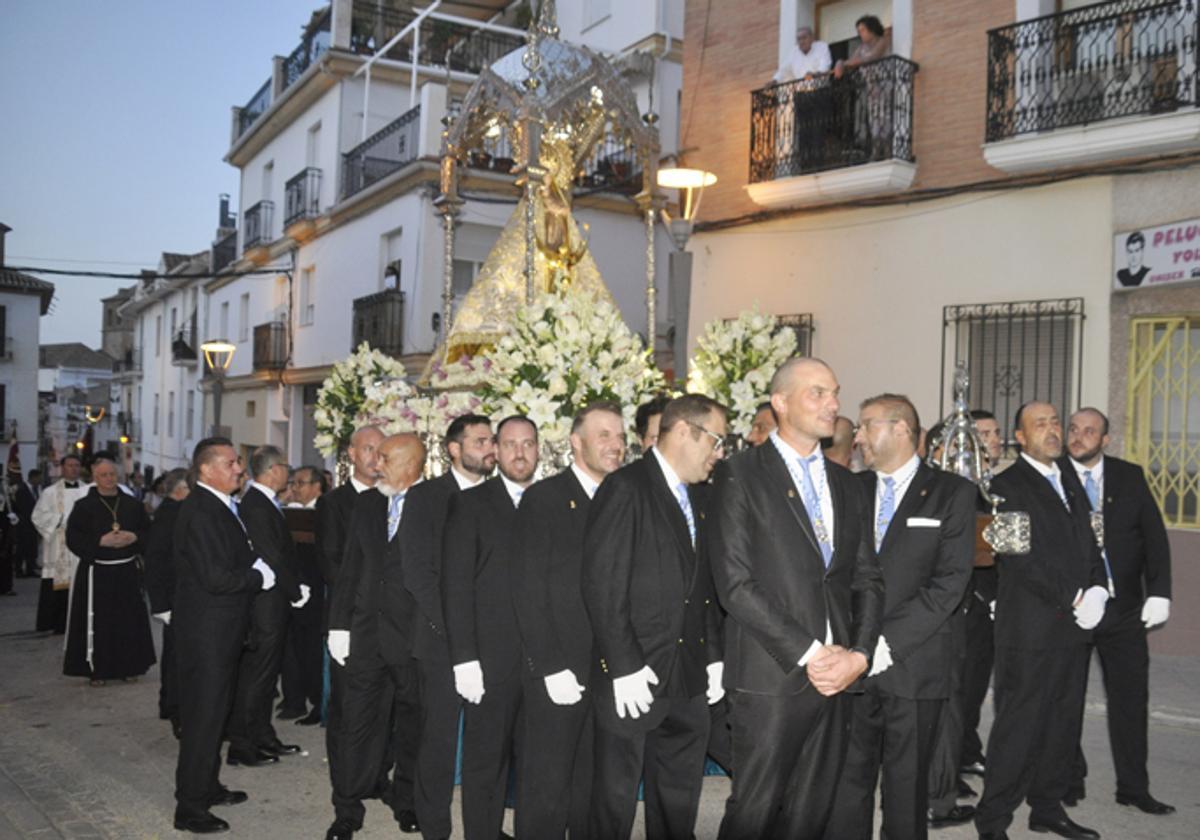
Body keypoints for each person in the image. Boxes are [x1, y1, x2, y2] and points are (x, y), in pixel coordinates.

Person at [708, 357, 883, 839]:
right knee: (755, 813)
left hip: (839, 676)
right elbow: (735, 583)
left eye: (835, 392)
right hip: (771, 674)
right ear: (780, 403)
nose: (833, 403)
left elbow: (868, 579)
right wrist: (811, 653)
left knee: (813, 813)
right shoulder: (740, 474)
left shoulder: (847, 483)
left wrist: (859, 655)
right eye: (818, 393)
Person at [826, 394, 976, 840]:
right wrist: (854, 644)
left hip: (915, 662)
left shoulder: (952, 493)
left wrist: (884, 642)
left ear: (902, 429)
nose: (857, 437)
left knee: (906, 789)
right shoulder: (850, 488)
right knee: (847, 783)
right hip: (852, 661)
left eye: (867, 425)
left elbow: (949, 582)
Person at [582, 394, 728, 840]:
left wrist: (713, 656)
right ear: (684, 431)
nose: (719, 452)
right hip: (635, 677)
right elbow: (602, 585)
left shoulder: (701, 495)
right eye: (716, 440)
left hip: (688, 678)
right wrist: (623, 666)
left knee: (678, 800)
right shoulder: (626, 487)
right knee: (614, 802)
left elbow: (704, 587)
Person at [973, 402, 1107, 840]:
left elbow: (1091, 540)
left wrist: (1099, 587)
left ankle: (1047, 808)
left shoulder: (1069, 477)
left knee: (1063, 723)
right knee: (1019, 727)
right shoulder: (1004, 485)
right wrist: (1075, 595)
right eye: (1039, 424)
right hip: (1029, 629)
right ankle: (993, 820)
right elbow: (1019, 558)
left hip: (1073, 627)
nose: (1052, 430)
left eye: (1054, 422)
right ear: (1020, 437)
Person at [511, 402, 625, 839]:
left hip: (612, 668)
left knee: (593, 784)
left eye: (620, 436)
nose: (615, 445)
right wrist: (549, 665)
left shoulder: (626, 496)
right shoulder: (545, 498)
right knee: (547, 784)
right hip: (560, 666)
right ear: (576, 443)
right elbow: (528, 588)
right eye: (604, 435)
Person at [1060, 408, 1174, 816]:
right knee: (1066, 698)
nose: (1079, 436)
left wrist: (1159, 592)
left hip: (1123, 610)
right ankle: (1068, 778)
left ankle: (1134, 787)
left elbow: (1154, 538)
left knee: (1130, 700)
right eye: (1074, 429)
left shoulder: (1129, 476)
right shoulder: (1054, 476)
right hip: (1073, 608)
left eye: (1090, 431)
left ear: (1105, 439)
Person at [172, 437, 278, 834]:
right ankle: (190, 808)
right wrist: (257, 577)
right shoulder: (201, 511)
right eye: (231, 463)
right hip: (207, 635)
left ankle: (207, 786)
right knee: (203, 720)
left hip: (223, 631)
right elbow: (215, 578)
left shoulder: (219, 505)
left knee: (216, 716)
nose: (239, 469)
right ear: (206, 470)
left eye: (238, 462)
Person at [325, 434, 427, 840]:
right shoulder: (367, 503)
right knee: (355, 725)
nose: (376, 464)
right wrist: (339, 626)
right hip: (366, 636)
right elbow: (350, 567)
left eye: (386, 458)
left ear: (411, 465)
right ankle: (346, 809)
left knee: (412, 726)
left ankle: (407, 801)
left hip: (414, 641)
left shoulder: (438, 504)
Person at [442, 416, 539, 840]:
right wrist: (465, 659)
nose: (520, 452)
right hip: (489, 662)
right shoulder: (470, 504)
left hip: (544, 662)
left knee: (537, 765)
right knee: (485, 765)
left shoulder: (551, 502)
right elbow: (456, 585)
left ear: (539, 450)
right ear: (496, 451)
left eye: (528, 444)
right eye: (511, 444)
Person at [401, 414, 495, 840]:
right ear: (454, 449)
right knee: (438, 741)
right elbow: (418, 574)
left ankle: (483, 826)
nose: (490, 448)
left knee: (487, 742)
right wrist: (458, 635)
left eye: (491, 440)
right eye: (480, 441)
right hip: (440, 640)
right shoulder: (425, 497)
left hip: (493, 641)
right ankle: (435, 828)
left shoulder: (501, 496)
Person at [227, 446, 310, 767]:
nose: (289, 473)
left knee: (266, 676)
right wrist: (294, 590)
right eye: (286, 467)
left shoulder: (264, 502)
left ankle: (262, 736)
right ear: (274, 469)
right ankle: (242, 744)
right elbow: (271, 554)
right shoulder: (256, 504)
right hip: (266, 604)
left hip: (274, 601)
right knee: (257, 677)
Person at [318, 426, 384, 787]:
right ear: (352, 455)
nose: (376, 456)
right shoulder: (334, 503)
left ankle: (374, 776)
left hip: (387, 624)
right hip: (352, 618)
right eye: (368, 449)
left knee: (383, 707)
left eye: (381, 449)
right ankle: (345, 783)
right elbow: (331, 564)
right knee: (347, 708)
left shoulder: (393, 499)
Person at [62, 455, 156, 684]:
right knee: (99, 624)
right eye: (103, 475)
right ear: (95, 478)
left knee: (128, 621)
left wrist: (134, 537)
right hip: (97, 573)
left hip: (126, 571)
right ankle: (97, 670)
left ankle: (130, 666)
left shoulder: (132, 504)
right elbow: (73, 537)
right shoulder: (84, 507)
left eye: (112, 474)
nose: (109, 478)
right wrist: (99, 542)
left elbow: (149, 533)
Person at [144, 467, 190, 738]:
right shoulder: (171, 514)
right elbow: (156, 560)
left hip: (177, 596)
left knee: (174, 654)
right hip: (174, 597)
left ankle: (169, 703)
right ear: (182, 490)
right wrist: (160, 604)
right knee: (176, 658)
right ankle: (176, 710)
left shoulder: (173, 511)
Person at [281, 464, 327, 725]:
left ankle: (320, 702)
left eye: (300, 483)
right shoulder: (292, 512)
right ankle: (301, 698)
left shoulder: (324, 511)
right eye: (293, 483)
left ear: (316, 486)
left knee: (313, 650)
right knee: (299, 648)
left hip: (317, 590)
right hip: (297, 590)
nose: (295, 488)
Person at [31, 454, 89, 632]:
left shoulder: (88, 491)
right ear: (62, 468)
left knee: (81, 583)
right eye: (70, 465)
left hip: (82, 545)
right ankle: (57, 623)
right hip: (58, 544)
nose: (74, 469)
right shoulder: (50, 492)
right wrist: (61, 519)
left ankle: (81, 623)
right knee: (58, 583)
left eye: (77, 465)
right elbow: (38, 516)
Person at [833, 15, 893, 161]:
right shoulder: (861, 48)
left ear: (872, 29)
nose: (861, 33)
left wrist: (846, 63)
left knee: (884, 117)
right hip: (872, 88)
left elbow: (872, 57)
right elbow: (850, 61)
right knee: (874, 119)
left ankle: (887, 150)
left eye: (863, 30)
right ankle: (877, 149)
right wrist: (840, 62)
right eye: (859, 31)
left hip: (884, 85)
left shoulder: (882, 41)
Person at [8, 460, 39, 577]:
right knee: (22, 548)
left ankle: (30, 569)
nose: (40, 480)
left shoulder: (36, 489)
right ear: (33, 478)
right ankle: (19, 570)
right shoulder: (21, 489)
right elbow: (21, 507)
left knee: (31, 547)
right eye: (39, 478)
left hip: (32, 524)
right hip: (24, 524)